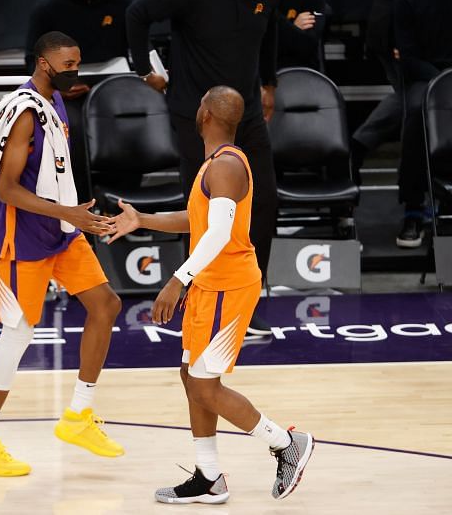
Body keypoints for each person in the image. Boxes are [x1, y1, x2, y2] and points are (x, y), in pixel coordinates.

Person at [108, 86, 314, 504]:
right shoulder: (216, 166)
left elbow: (218, 235)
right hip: (210, 284)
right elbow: (197, 221)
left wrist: (177, 278)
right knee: (193, 378)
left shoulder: (225, 166)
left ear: (205, 114)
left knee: (204, 385)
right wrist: (141, 218)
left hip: (227, 285)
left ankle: (284, 442)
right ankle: (208, 475)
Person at [0, 31, 123, 477]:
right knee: (18, 335)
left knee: (105, 304)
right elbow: (6, 188)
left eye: (79, 62)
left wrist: (72, 214)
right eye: (69, 64)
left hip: (60, 230)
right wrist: (67, 210)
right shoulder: (26, 113)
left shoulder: (54, 101)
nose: (76, 70)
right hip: (21, 239)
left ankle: (78, 417)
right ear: (45, 65)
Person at [126, 0, 281, 336]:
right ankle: (195, 296)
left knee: (265, 201)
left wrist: (269, 82)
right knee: (201, 207)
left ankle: (247, 302)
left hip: (246, 113)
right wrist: (144, 70)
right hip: (200, 115)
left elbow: (269, 30)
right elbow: (137, 14)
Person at [25, 0, 133, 198]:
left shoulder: (123, 3)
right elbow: (32, 61)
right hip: (66, 96)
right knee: (71, 129)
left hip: (112, 92)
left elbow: (138, 48)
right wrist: (56, 88)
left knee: (133, 121)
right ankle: (80, 205)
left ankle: (127, 203)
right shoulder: (48, 8)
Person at [393, 0, 452, 247]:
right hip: (425, 76)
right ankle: (413, 211)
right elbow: (408, 56)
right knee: (417, 115)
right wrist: (441, 80)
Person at [349, 0, 407, 185]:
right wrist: (402, 39)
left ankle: (358, 145)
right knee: (411, 99)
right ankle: (359, 144)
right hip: (397, 26)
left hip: (400, 23)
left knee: (411, 100)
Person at [275, 0, 327, 70]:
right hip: (261, 72)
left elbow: (307, 44)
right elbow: (254, 41)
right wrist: (293, 27)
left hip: (301, 71)